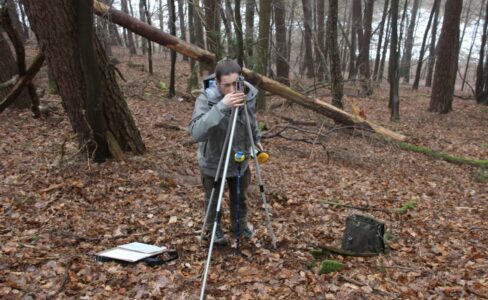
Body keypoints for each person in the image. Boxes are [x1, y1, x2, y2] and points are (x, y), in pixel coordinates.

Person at [188, 59, 263, 246]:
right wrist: (222, 106)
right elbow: (196, 132)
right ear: (217, 82)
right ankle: (214, 230)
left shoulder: (248, 95)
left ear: (241, 79)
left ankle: (239, 225)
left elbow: (251, 120)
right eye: (226, 85)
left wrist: (256, 139)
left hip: (239, 157)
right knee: (213, 199)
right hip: (215, 159)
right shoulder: (206, 98)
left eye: (235, 84)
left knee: (240, 196)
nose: (231, 90)